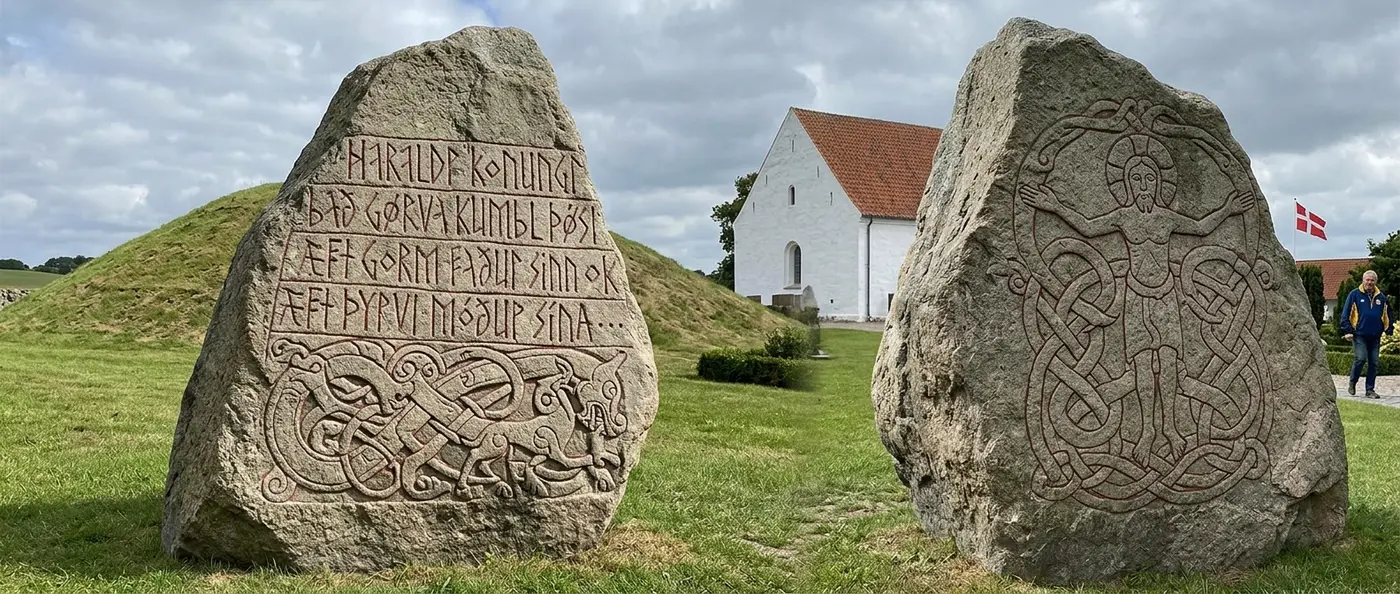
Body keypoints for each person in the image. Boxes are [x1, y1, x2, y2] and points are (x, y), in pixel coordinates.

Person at [1340, 270, 1393, 398]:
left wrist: (1389, 328)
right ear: (1363, 281)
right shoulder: (1354, 295)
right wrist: (1347, 329)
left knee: (1374, 363)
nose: (1369, 282)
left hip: (1375, 336)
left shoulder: (1381, 297)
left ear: (1376, 282)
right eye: (1367, 280)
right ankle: (1353, 381)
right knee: (1360, 358)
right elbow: (1345, 313)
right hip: (1359, 335)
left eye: (1372, 280)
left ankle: (1370, 390)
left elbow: (1388, 314)